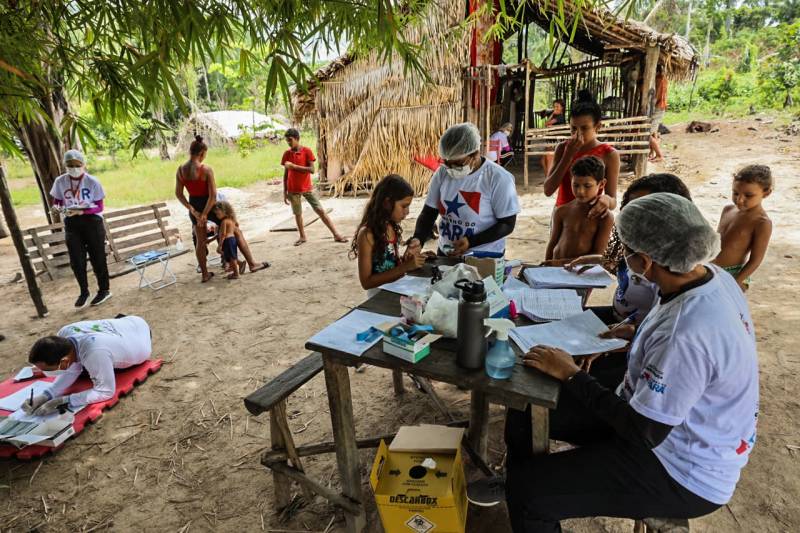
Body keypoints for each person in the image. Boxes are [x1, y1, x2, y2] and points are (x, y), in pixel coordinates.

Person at [492, 193, 758, 532]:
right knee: (525, 412)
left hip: (681, 468)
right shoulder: (712, 276)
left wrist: (571, 374)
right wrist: (636, 330)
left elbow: (640, 432)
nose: (624, 260)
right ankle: (545, 484)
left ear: (646, 262)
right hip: (666, 423)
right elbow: (680, 344)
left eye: (628, 253)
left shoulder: (686, 332)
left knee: (527, 492)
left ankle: (534, 491)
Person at [566, 173, 693, 327]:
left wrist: (629, 333)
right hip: (616, 317)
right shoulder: (636, 248)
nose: (631, 216)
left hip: (630, 332)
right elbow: (627, 272)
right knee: (562, 317)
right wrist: (599, 260)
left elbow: (658, 327)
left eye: (642, 210)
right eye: (630, 208)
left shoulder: (666, 272)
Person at [410, 122, 520, 257]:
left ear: (475, 154)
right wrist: (418, 238)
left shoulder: (498, 178)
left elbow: (507, 223)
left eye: (458, 163)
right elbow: (429, 213)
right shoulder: (443, 173)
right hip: (447, 253)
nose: (451, 168)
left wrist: (471, 242)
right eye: (447, 163)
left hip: (484, 256)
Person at [175, 135, 269, 282]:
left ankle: (205, 274)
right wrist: (206, 213)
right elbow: (212, 196)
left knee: (200, 241)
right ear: (202, 154)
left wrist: (193, 210)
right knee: (235, 230)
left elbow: (179, 194)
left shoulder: (181, 170)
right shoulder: (206, 170)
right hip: (212, 207)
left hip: (195, 207)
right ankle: (252, 264)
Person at [22, 315, 153, 415]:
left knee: (86, 373)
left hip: (142, 342)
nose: (44, 372)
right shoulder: (64, 333)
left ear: (63, 361)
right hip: (130, 321)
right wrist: (46, 395)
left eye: (46, 369)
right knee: (81, 367)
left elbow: (105, 391)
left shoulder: (94, 354)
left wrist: (65, 400)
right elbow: (71, 369)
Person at [543, 91, 620, 220]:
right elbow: (548, 190)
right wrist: (568, 155)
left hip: (591, 218)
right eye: (573, 128)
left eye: (584, 128)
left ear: (597, 127)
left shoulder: (609, 154)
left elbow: (613, 201)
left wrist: (606, 200)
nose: (578, 133)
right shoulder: (563, 148)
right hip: (562, 217)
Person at [50, 149, 112, 308]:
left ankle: (104, 290)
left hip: (92, 221)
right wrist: (60, 210)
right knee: (76, 260)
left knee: (98, 256)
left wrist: (82, 211)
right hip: (72, 222)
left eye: (77, 165)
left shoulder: (92, 181)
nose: (74, 168)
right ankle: (84, 291)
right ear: (65, 165)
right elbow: (57, 203)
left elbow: (99, 207)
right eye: (70, 165)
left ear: (83, 164)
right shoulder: (60, 181)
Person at [350, 175, 426, 298]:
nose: (407, 212)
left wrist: (410, 259)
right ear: (387, 203)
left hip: (397, 291)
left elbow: (388, 262)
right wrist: (404, 267)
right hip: (379, 298)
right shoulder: (367, 235)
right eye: (403, 206)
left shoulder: (391, 226)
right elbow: (366, 282)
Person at [281, 128, 348, 246]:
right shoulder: (287, 154)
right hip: (292, 189)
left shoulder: (307, 151)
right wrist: (284, 191)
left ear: (297, 139)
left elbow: (312, 170)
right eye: (287, 141)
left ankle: (336, 234)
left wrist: (294, 167)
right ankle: (302, 236)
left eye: (290, 140)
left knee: (320, 210)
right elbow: (286, 174)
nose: (289, 143)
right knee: (298, 214)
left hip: (306, 188)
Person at [712, 164, 773, 292]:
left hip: (734, 275)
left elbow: (756, 260)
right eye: (735, 193)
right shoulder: (728, 210)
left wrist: (735, 282)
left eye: (748, 195)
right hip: (712, 270)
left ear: (766, 193)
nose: (739, 200)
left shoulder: (762, 223)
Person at [545, 156, 613, 266]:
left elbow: (598, 255)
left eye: (587, 186)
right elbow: (552, 243)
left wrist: (563, 263)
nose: (580, 191)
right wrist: (546, 266)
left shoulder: (604, 217)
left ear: (601, 184)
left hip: (582, 272)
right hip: (556, 269)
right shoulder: (562, 211)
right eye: (575, 185)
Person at [213, 201, 241, 280]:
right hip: (233, 240)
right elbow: (237, 226)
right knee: (231, 256)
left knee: (231, 257)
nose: (216, 216)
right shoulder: (232, 220)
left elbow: (223, 234)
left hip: (227, 240)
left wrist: (220, 245)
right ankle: (234, 270)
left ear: (224, 211)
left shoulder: (224, 222)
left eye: (218, 214)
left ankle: (236, 273)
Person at [540, 98, 566, 177]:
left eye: (557, 106)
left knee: (549, 160)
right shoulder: (555, 116)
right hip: (550, 140)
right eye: (554, 107)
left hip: (554, 141)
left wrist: (551, 115)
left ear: (562, 108)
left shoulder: (560, 117)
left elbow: (547, 123)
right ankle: (547, 178)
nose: (555, 108)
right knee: (542, 161)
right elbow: (547, 124)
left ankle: (549, 179)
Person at [648, 64, 668, 163]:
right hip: (660, 107)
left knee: (647, 133)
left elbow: (656, 96)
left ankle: (659, 155)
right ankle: (652, 153)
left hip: (658, 107)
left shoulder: (659, 80)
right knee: (653, 131)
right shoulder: (663, 79)